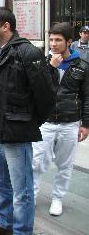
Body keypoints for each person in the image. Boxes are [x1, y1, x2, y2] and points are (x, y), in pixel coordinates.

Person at [0, 7, 56, 235]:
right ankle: (5, 224)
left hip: (16, 133)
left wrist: (27, 123)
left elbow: (46, 97)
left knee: (22, 190)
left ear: (6, 26)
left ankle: (22, 231)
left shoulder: (27, 52)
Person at [32, 22, 89, 216]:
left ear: (69, 42)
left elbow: (87, 96)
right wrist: (50, 68)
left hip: (70, 122)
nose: (53, 44)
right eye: (51, 39)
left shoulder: (81, 65)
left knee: (65, 165)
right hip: (46, 122)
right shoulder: (43, 61)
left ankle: (57, 198)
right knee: (37, 162)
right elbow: (37, 88)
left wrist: (86, 124)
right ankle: (31, 195)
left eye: (58, 40)